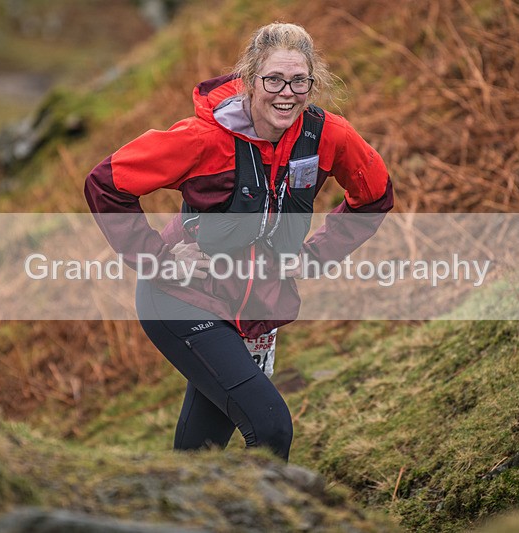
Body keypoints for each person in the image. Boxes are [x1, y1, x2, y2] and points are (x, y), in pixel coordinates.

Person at [85, 22, 394, 462]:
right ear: (250, 81)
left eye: (299, 81)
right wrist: (158, 260)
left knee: (199, 451)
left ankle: (177, 515)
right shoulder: (204, 138)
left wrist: (316, 256)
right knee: (271, 427)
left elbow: (375, 196)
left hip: (249, 309)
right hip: (179, 298)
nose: (286, 93)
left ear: (313, 83)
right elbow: (105, 183)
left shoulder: (326, 136)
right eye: (273, 80)